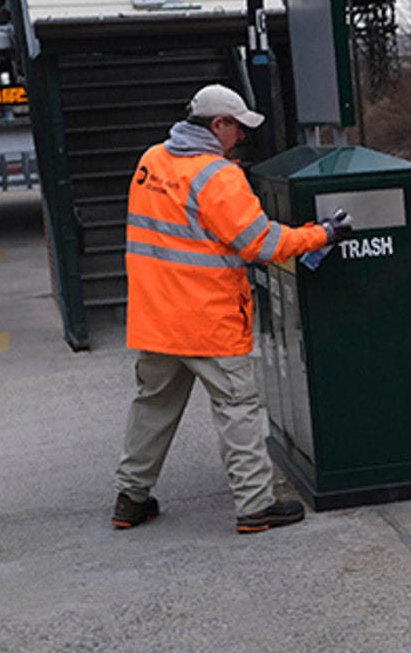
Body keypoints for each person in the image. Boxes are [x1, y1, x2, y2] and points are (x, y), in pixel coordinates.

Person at [111, 84, 351, 533]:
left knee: (153, 406)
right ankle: (256, 506)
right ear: (217, 124)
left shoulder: (151, 161)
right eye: (237, 126)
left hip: (157, 318)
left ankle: (130, 498)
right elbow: (261, 242)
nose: (241, 135)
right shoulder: (219, 177)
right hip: (207, 319)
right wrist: (321, 235)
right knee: (237, 407)